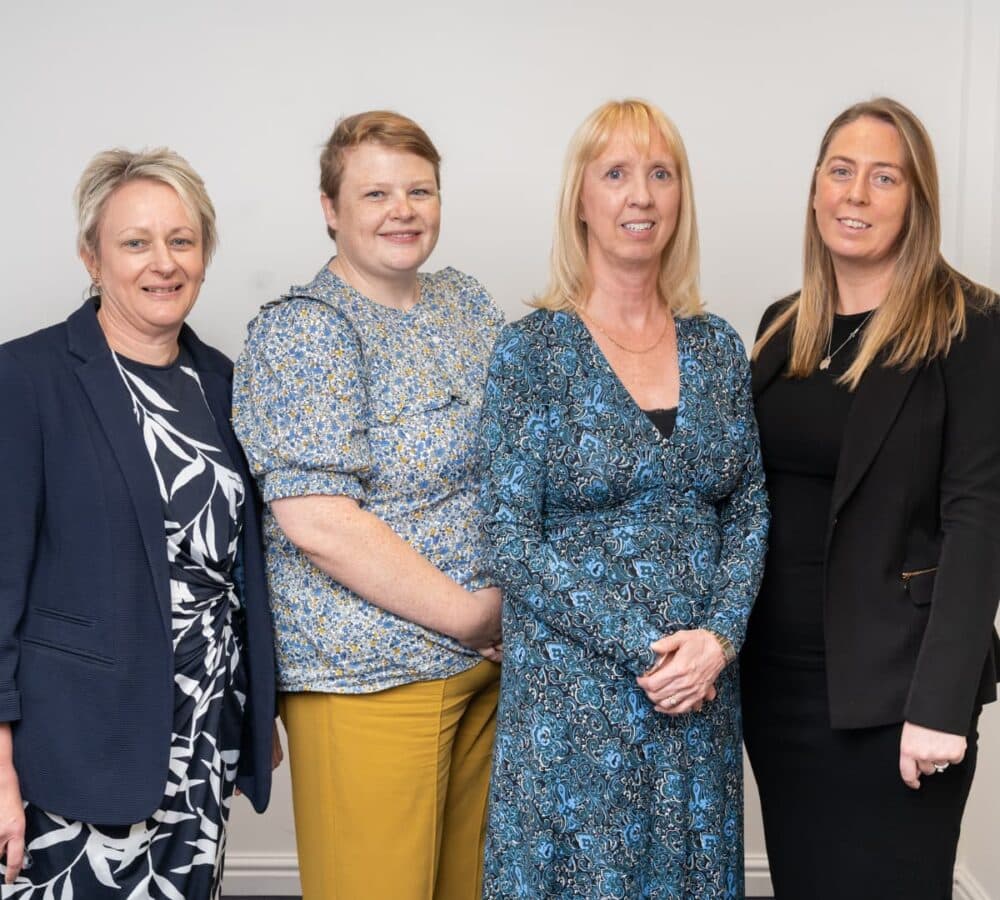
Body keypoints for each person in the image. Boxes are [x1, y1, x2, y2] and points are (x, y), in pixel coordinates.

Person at [478, 98, 769, 899]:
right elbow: (509, 536)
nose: (641, 195)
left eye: (661, 174)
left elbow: (747, 508)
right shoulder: (530, 350)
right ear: (581, 197)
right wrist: (650, 650)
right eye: (616, 174)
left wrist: (717, 639)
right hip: (574, 704)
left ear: (681, 197)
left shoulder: (717, 348)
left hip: (698, 700)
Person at [232, 110, 503, 900]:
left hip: (485, 675)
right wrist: (472, 615)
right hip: (369, 680)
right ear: (330, 208)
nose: (403, 210)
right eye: (376, 192)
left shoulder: (464, 303)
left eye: (420, 189)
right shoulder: (305, 332)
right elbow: (318, 522)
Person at [0, 148, 276, 899]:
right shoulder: (26, 379)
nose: (163, 262)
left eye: (182, 241)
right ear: (91, 255)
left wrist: (258, 710)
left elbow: (245, 569)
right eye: (135, 242)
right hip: (76, 747)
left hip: (201, 738)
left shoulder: (224, 383)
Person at [742, 97, 1000, 899]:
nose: (856, 194)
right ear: (816, 189)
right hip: (777, 686)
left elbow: (980, 516)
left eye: (883, 177)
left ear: (916, 201)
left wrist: (942, 704)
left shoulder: (972, 324)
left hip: (895, 696)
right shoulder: (785, 325)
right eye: (841, 171)